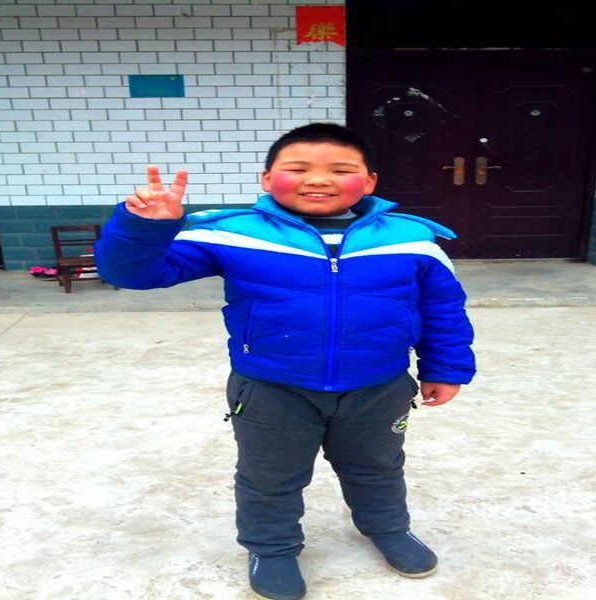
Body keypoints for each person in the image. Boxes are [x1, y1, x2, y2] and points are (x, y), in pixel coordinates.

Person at [95, 122, 476, 600]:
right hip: (272, 388)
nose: (318, 179)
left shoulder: (411, 237)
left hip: (378, 387)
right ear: (266, 178)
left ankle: (387, 529)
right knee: (269, 478)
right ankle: (272, 549)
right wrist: (146, 228)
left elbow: (442, 308)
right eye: (297, 168)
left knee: (378, 467)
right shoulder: (233, 232)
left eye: (340, 169)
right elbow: (132, 273)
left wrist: (445, 368)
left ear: (370, 181)